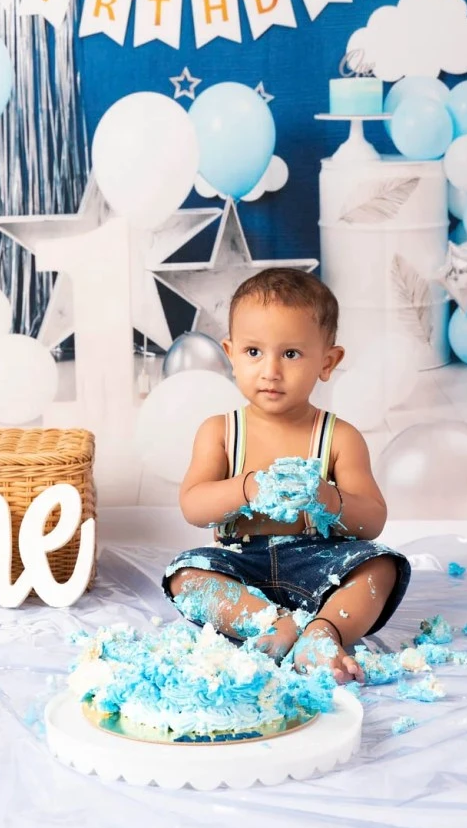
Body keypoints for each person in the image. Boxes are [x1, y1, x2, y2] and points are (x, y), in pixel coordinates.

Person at [162, 268, 410, 684]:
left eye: (291, 354)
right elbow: (193, 506)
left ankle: (323, 632)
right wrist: (246, 488)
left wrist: (328, 498)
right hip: (244, 565)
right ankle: (272, 623)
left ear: (327, 362)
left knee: (381, 566)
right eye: (253, 352)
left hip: (320, 564)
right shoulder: (220, 431)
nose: (271, 370)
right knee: (184, 576)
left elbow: (372, 520)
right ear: (231, 354)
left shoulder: (339, 437)